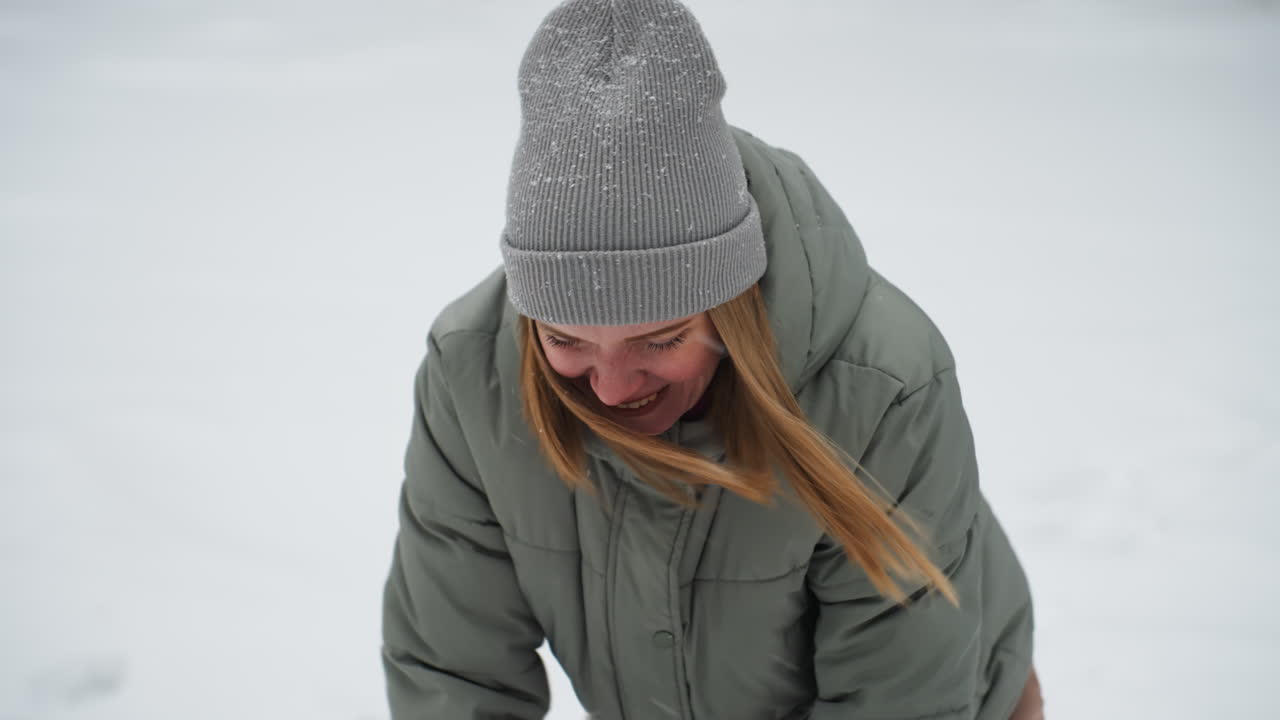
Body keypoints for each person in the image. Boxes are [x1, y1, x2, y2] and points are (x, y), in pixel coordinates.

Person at [381, 1, 1043, 718]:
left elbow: (897, 698)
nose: (609, 385)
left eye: (659, 339)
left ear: (732, 302)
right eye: (566, 340)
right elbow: (454, 673)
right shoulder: (471, 374)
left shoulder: (882, 389)